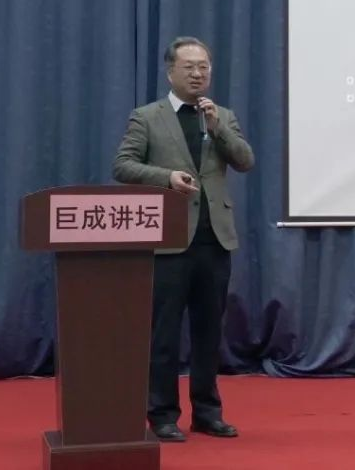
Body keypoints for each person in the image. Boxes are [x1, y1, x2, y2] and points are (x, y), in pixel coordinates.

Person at [113, 36, 255, 442]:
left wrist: (218, 129)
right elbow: (123, 165)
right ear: (170, 71)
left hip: (215, 240)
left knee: (209, 333)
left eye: (204, 67)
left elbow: (245, 161)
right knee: (164, 333)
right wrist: (166, 178)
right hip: (169, 241)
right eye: (189, 67)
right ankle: (161, 414)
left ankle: (207, 413)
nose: (198, 74)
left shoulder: (221, 115)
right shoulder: (147, 117)